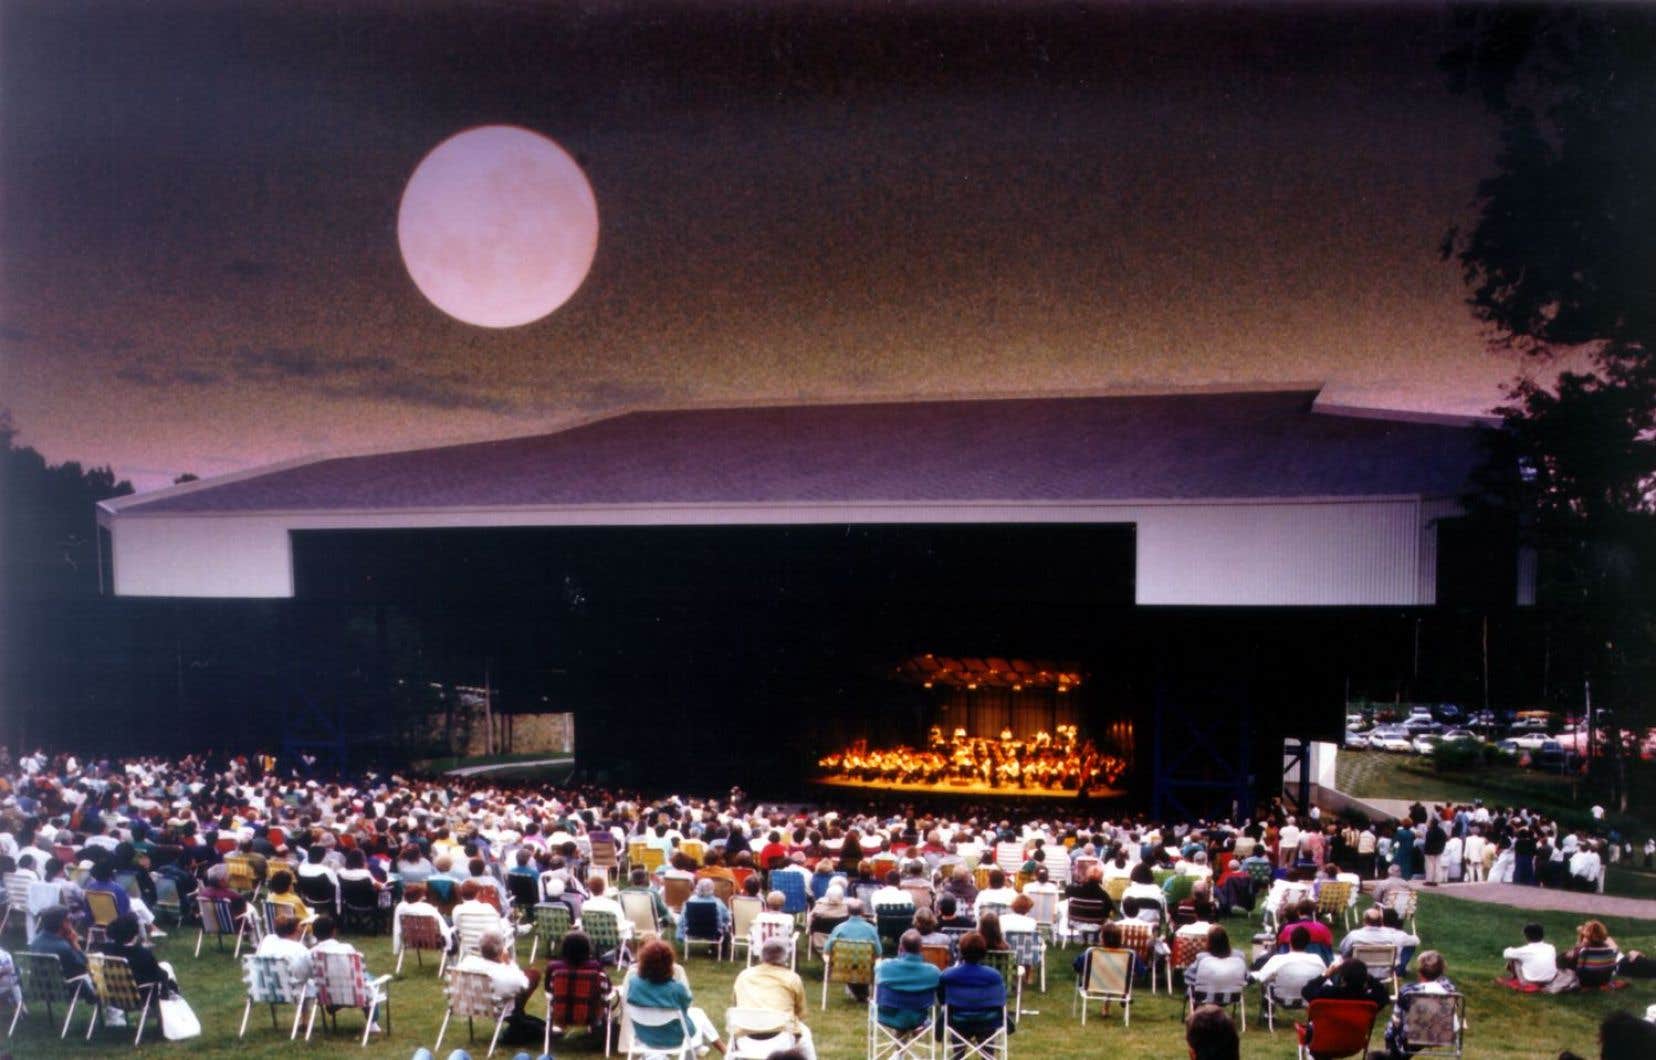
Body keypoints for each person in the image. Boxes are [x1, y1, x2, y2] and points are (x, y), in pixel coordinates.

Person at [621, 939, 723, 1055]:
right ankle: (707, 1050)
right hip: (675, 1039)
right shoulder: (676, 989)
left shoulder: (634, 984)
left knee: (696, 1015)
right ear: (669, 964)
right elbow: (686, 1007)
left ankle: (698, 1050)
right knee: (697, 1016)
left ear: (643, 962)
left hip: (644, 1036)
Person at [730, 936, 815, 1059]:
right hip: (780, 1041)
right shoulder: (792, 978)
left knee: (735, 1027)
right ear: (785, 957)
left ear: (761, 955)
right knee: (805, 1032)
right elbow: (800, 1014)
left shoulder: (744, 975)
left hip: (745, 1042)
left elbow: (735, 1005)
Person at [1382, 950, 1454, 1058]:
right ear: (1442, 970)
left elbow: (1397, 1017)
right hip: (1441, 1034)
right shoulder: (1449, 988)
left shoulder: (1408, 991)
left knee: (1392, 1028)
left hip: (1413, 1036)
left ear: (1419, 972)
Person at [455, 930, 541, 1019]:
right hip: (496, 1008)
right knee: (533, 974)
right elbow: (524, 984)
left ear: (480, 948)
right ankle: (518, 1016)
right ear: (501, 950)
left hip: (468, 1004)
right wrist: (509, 963)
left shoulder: (466, 962)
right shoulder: (502, 973)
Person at [939, 932, 1011, 1038]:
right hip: (987, 1020)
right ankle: (987, 1053)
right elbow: (1001, 999)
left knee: (957, 1025)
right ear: (983, 952)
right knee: (985, 1026)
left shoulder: (948, 975)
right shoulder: (994, 976)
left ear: (961, 951)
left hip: (958, 1019)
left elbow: (942, 997)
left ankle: (958, 1053)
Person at [544, 931, 612, 1038]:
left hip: (561, 1015)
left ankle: (560, 1026)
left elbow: (548, 989)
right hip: (592, 1015)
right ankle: (598, 1027)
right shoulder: (595, 967)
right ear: (587, 948)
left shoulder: (553, 967)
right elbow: (607, 989)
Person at [873, 928, 941, 1030]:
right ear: (921, 948)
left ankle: (901, 1036)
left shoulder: (884, 967)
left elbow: (876, 971)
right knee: (910, 1011)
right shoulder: (933, 972)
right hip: (918, 1018)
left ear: (900, 948)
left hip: (887, 1016)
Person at [1252, 924, 1327, 1011]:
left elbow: (1262, 977)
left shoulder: (1278, 959)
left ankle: (1268, 1014)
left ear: (1290, 941)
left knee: (1266, 984)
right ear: (1308, 943)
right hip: (1310, 997)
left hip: (1282, 997)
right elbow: (1326, 981)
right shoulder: (1317, 960)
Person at [823, 899, 881, 1001]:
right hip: (865, 966)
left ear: (847, 912)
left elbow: (827, 950)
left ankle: (859, 993)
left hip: (841, 966)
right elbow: (879, 952)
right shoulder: (871, 929)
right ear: (863, 912)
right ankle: (862, 993)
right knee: (868, 961)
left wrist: (829, 960)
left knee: (849, 960)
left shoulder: (839, 928)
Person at [1186, 925, 1249, 1004]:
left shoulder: (1202, 958)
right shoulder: (1239, 956)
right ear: (1226, 939)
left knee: (1193, 988)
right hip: (1233, 996)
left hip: (1203, 997)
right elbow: (1246, 978)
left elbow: (1188, 977)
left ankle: (1199, 1014)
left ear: (1209, 941)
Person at [1300, 955, 1391, 1008]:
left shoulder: (1328, 994)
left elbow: (1306, 990)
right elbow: (1383, 994)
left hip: (1327, 1037)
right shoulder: (1369, 1001)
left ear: (1342, 978)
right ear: (1365, 978)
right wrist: (1367, 977)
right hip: (1355, 1038)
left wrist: (1326, 974)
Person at [27, 904, 88, 981]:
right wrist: (74, 943)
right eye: (69, 920)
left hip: (39, 989)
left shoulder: (35, 942)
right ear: (64, 923)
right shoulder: (63, 947)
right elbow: (83, 966)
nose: (71, 923)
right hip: (64, 990)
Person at [254, 913, 314, 985]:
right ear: (297, 930)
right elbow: (313, 973)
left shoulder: (268, 940)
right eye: (301, 927)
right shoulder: (300, 950)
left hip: (266, 988)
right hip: (294, 992)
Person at [1503, 922, 1558, 988]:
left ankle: (1517, 979)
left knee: (1515, 959)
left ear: (1526, 936)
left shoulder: (1524, 950)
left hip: (1530, 981)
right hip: (1550, 980)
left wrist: (1511, 948)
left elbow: (1506, 953)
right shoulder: (1551, 947)